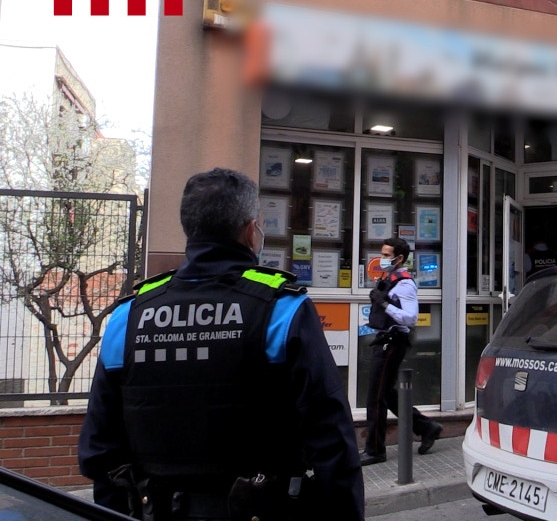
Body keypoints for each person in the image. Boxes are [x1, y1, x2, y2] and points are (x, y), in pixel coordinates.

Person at [78, 168, 364, 521]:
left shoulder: (129, 316)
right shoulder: (281, 309)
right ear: (250, 230)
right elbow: (331, 440)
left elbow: (99, 450)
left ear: (189, 228)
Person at [361, 237, 443, 466]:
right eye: (382, 254)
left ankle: (375, 450)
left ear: (399, 258)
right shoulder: (389, 279)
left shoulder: (405, 284)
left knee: (375, 397)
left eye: (386, 255)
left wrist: (385, 304)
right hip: (386, 340)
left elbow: (411, 318)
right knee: (386, 394)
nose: (382, 258)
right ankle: (426, 427)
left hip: (393, 342)